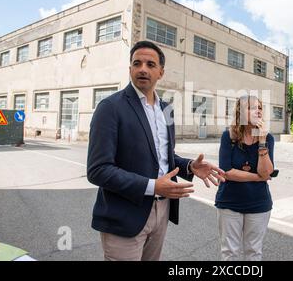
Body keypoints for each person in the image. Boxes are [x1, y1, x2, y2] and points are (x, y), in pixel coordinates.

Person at [87, 40, 225, 261]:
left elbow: (162, 157)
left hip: (162, 210)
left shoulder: (166, 109)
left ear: (160, 72)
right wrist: (152, 186)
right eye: (137, 63)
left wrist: (188, 166)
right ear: (130, 69)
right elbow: (98, 170)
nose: (143, 68)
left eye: (150, 64)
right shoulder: (111, 108)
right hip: (125, 215)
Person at [215, 95, 274, 261]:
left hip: (258, 203)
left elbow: (267, 172)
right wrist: (257, 178)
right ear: (241, 113)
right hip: (229, 202)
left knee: (254, 252)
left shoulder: (267, 138)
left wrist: (262, 141)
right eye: (252, 107)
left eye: (260, 108)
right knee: (230, 252)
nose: (258, 111)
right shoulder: (229, 136)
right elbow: (226, 172)